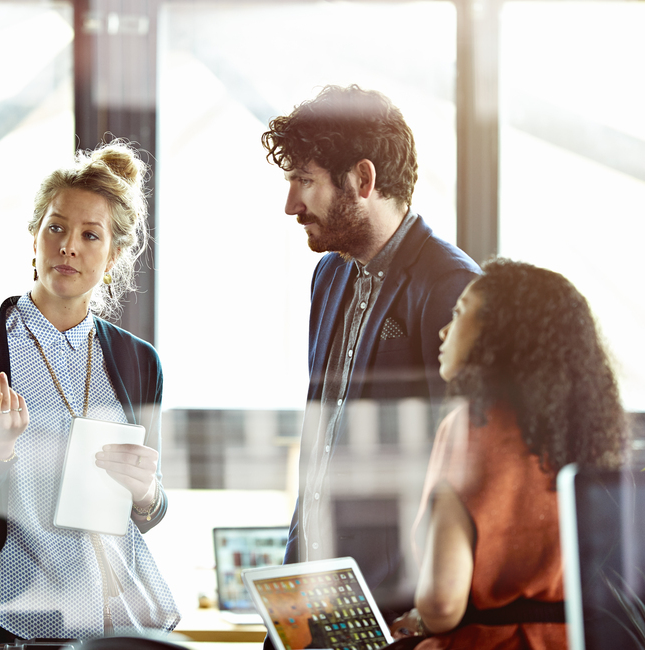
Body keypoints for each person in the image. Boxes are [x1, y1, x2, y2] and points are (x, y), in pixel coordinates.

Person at [0, 141, 179, 643]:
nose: (69, 246)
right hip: (9, 622)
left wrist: (148, 493)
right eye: (57, 227)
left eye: (91, 235)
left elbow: (144, 514)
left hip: (115, 620)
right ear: (34, 238)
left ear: (113, 255)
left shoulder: (139, 363)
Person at [260, 85, 480, 578]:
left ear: (363, 178)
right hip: (315, 585)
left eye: (303, 180)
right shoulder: (330, 273)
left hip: (397, 600)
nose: (291, 204)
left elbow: (469, 470)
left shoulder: (453, 288)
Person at [389, 258, 628, 649]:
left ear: (500, 334)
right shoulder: (590, 430)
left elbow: (441, 603)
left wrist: (419, 620)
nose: (443, 331)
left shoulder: (470, 427)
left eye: (460, 313)